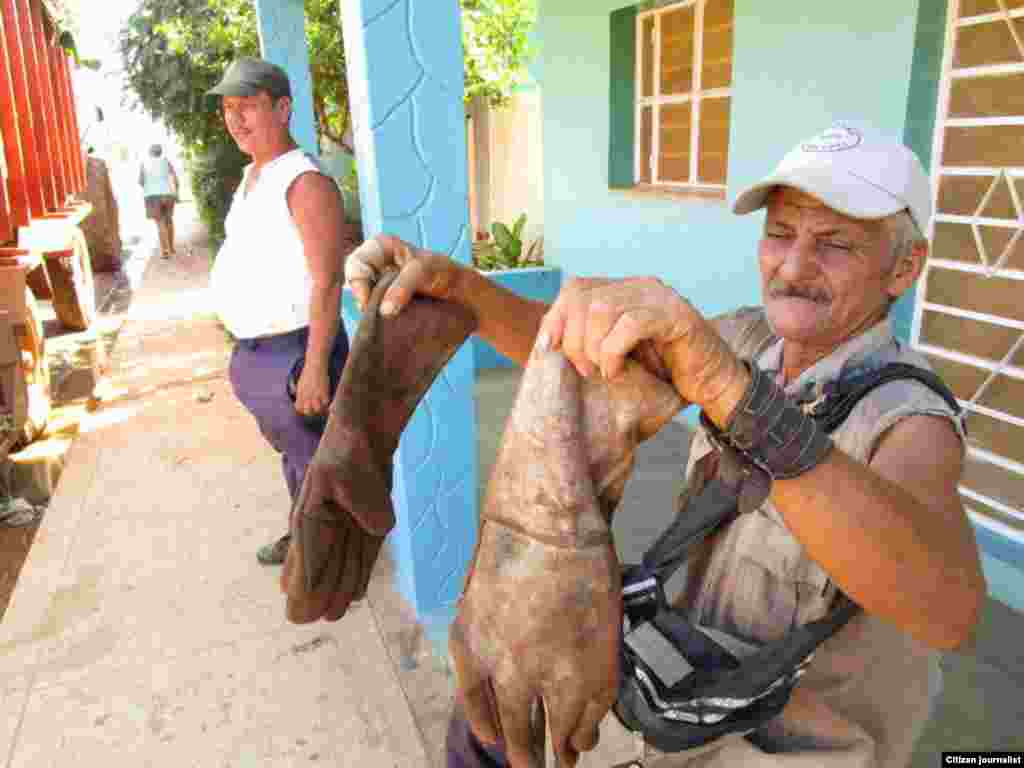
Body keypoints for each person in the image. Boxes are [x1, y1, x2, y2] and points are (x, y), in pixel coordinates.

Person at [343, 123, 987, 767]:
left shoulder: (910, 416)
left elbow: (946, 609)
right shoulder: (748, 340)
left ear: (904, 267)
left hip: (789, 749)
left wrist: (737, 396)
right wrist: (459, 291)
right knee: (485, 734)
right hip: (684, 697)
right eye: (781, 234)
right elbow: (587, 353)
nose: (793, 267)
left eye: (836, 244)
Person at [207, 57, 359, 565]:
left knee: (318, 463)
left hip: (296, 351)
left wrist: (316, 367)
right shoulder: (254, 176)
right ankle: (307, 542)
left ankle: (332, 564)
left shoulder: (305, 182)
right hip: (259, 353)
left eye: (248, 106)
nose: (237, 120)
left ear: (283, 107)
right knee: (297, 459)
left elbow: (328, 279)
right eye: (229, 109)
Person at [138, 144, 179, 258]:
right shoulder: (167, 162)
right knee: (169, 220)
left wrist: (149, 184)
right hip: (168, 194)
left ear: (150, 153)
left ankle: (165, 251)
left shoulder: (144, 164)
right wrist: (176, 193)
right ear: (160, 152)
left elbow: (141, 181)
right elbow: (174, 179)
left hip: (153, 196)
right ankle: (171, 248)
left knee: (160, 222)